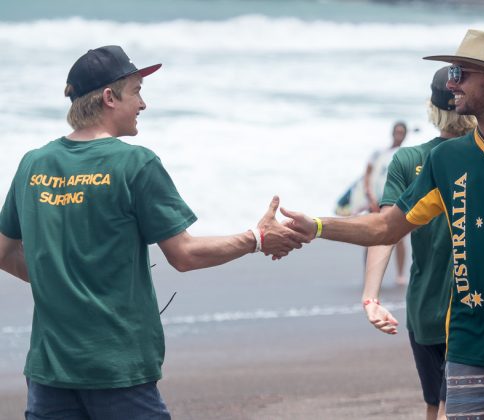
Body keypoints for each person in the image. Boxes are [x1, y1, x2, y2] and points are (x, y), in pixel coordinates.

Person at [281, 30, 484, 418]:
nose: (450, 83)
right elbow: (387, 227)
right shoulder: (447, 160)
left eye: (460, 72)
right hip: (467, 354)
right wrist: (318, 227)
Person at [0, 45, 307, 419]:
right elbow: (184, 254)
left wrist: (61, 280)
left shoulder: (34, 163)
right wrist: (256, 238)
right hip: (117, 366)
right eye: (137, 91)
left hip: (49, 369)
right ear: (110, 97)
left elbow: (4, 251)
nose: (143, 104)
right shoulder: (135, 163)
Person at [362, 66, 476, 420]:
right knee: (450, 406)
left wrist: (371, 296)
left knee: (435, 404)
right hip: (477, 308)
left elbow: (385, 231)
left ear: (431, 107)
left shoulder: (408, 160)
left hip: (424, 309)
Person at [363, 121, 408, 285]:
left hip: (396, 200)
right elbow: (367, 175)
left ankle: (400, 274)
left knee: (400, 237)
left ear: (405, 134)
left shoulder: (406, 154)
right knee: (370, 236)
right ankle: (369, 273)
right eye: (396, 131)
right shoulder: (378, 153)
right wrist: (370, 196)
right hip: (376, 200)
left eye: (402, 132)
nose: (398, 134)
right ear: (392, 132)